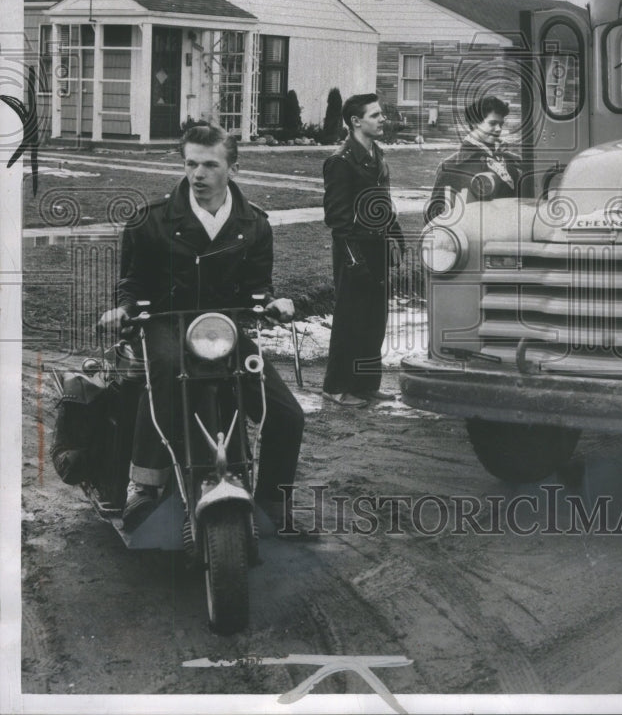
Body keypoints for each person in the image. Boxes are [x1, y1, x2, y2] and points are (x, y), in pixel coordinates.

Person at [98, 123, 304, 530]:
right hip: (164, 323)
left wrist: (273, 303)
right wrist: (124, 308)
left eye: (210, 165)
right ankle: (145, 484)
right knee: (166, 373)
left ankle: (272, 507)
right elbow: (132, 282)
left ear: (233, 168)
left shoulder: (254, 224)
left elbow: (256, 288)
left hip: (222, 331)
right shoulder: (150, 221)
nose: (198, 175)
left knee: (287, 413)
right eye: (191, 164)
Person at [322, 93, 403, 408]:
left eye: (380, 114)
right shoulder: (340, 162)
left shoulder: (377, 154)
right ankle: (336, 386)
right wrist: (354, 261)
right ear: (356, 121)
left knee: (374, 320)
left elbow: (385, 204)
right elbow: (338, 219)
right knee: (350, 321)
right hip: (354, 251)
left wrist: (396, 237)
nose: (382, 119)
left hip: (378, 248)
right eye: (375, 115)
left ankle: (367, 384)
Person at [426, 95, 523, 222]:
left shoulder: (509, 160)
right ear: (473, 124)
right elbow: (434, 219)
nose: (499, 129)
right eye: (493, 123)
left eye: (501, 124)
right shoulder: (452, 167)